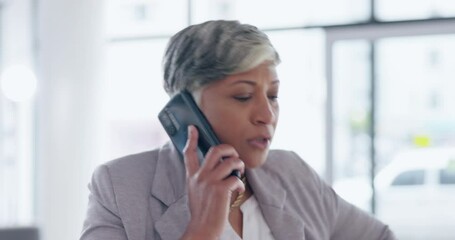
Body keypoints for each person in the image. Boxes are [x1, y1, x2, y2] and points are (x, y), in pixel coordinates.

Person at [80, 20, 396, 240]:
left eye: (272, 95)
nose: (266, 114)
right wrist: (201, 230)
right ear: (185, 107)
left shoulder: (293, 174)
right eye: (243, 96)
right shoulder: (119, 186)